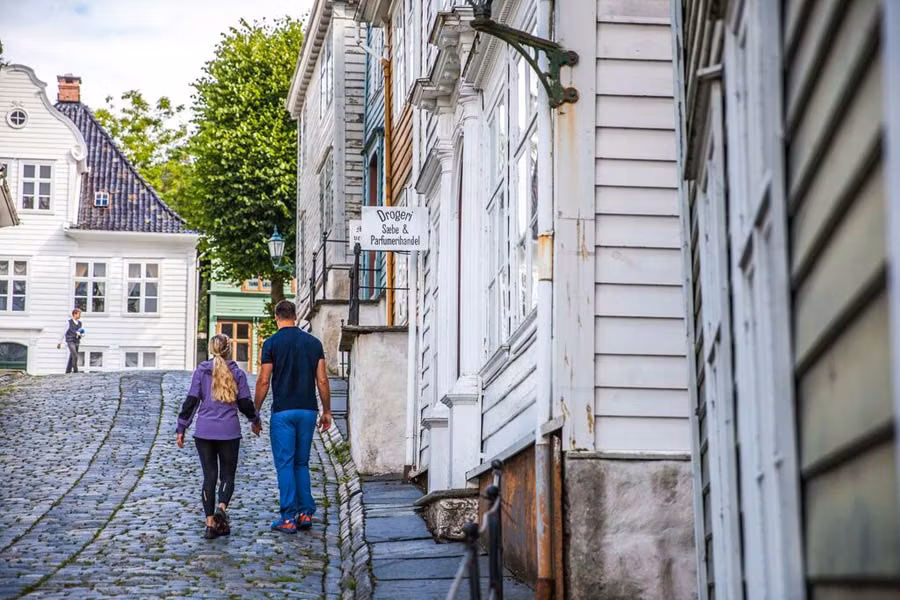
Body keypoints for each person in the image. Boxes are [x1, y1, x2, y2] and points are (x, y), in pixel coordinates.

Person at [255, 299, 331, 533]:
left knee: (285, 463)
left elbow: (264, 380)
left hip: (283, 411)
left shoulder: (271, 344)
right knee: (301, 462)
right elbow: (322, 380)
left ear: (276, 317)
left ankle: (288, 516)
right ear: (295, 316)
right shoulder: (313, 343)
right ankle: (305, 512)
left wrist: (255, 411)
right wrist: (327, 410)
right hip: (307, 410)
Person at [176, 334, 262, 539]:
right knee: (227, 475)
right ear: (228, 350)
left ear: (211, 349)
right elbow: (245, 403)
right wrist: (255, 420)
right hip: (229, 432)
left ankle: (209, 524)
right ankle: (221, 508)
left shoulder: (201, 371)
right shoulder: (237, 373)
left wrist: (181, 428)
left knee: (209, 477)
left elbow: (191, 402)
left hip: (204, 432)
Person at [57, 308, 83, 374]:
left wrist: (80, 334)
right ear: (75, 314)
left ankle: (68, 371)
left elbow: (80, 332)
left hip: (76, 341)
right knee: (75, 355)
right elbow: (63, 332)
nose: (80, 315)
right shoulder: (68, 322)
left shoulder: (80, 323)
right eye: (79, 314)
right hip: (70, 341)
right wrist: (59, 342)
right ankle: (75, 371)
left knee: (72, 356)